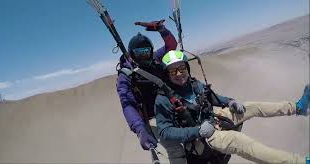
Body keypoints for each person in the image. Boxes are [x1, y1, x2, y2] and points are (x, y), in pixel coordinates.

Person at [155, 50, 309, 164]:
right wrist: (198, 131)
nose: (179, 73)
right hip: (203, 137)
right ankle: (299, 162)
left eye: (182, 68)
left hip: (214, 119)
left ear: (187, 68)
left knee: (251, 106)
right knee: (238, 141)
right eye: (173, 70)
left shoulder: (194, 84)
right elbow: (164, 131)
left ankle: (297, 107)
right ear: (166, 74)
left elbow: (213, 97)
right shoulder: (163, 99)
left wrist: (229, 102)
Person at [116, 20, 177, 154]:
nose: (144, 55)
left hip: (171, 108)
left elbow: (171, 45)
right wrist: (140, 129)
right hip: (152, 119)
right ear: (132, 54)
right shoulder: (126, 75)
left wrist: (161, 29)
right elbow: (127, 104)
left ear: (151, 50)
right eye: (140, 52)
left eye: (146, 51)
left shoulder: (155, 59)